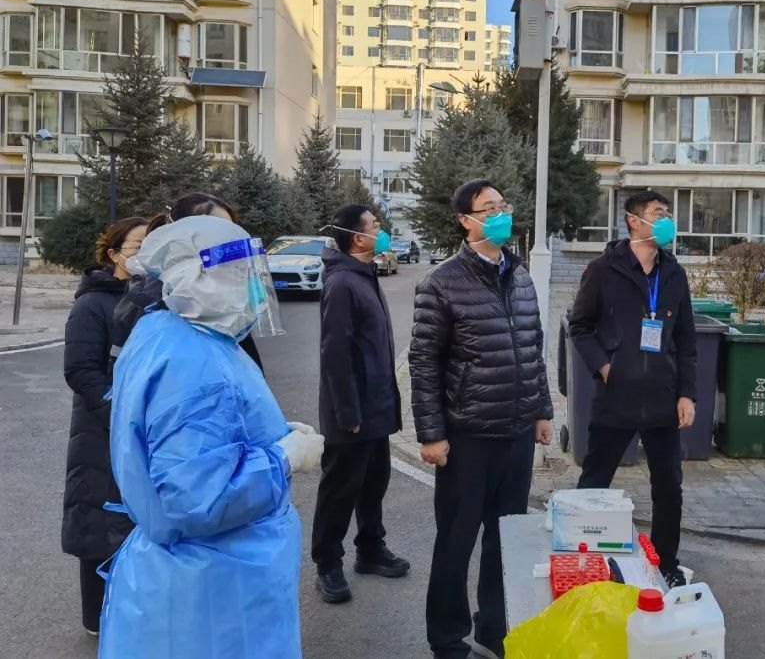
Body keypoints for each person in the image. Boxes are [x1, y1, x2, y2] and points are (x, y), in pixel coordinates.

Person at [100, 215, 324, 658]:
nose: (255, 290)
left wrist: (272, 438)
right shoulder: (194, 363)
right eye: (240, 275)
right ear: (195, 280)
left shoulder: (170, 332)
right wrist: (284, 455)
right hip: (213, 590)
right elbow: (198, 498)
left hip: (199, 577)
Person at [410, 179, 554, 659]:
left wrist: (541, 410)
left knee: (506, 540)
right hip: (467, 435)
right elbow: (424, 363)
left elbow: (533, 349)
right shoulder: (442, 282)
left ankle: (494, 628)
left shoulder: (520, 276)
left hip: (516, 433)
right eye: (488, 208)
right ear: (465, 220)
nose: (500, 214)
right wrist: (431, 434)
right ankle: (447, 637)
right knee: (457, 540)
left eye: (502, 206)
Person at [568, 189, 697, 587]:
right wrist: (606, 367)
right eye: (658, 213)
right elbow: (580, 326)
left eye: (668, 213)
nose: (667, 220)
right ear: (634, 221)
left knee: (668, 488)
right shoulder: (604, 270)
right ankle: (582, 562)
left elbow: (687, 339)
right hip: (617, 396)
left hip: (662, 397)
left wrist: (687, 393)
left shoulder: (673, 273)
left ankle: (666, 563)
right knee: (594, 483)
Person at [310, 205, 409, 604]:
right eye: (375, 225)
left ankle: (370, 549)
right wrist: (347, 411)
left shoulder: (364, 274)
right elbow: (335, 354)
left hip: (376, 407)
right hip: (351, 412)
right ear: (357, 237)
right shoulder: (342, 283)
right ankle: (327, 564)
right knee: (340, 490)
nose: (381, 230)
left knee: (373, 482)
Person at [61, 216, 147, 636]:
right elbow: (80, 370)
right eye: (137, 246)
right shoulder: (92, 304)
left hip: (141, 424)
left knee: (136, 515)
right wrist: (120, 412)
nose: (145, 254)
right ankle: (96, 618)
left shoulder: (152, 297)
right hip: (102, 426)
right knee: (98, 515)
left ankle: (136, 610)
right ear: (113, 254)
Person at [112, 193, 264, 371]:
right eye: (216, 231)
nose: (228, 243)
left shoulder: (218, 303)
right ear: (181, 238)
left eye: (231, 231)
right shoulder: (151, 306)